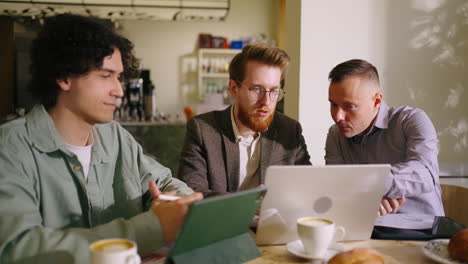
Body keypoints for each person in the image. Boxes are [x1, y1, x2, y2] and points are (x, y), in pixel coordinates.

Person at [0, 14, 202, 264]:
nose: (118, 91)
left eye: (119, 77)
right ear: (64, 77)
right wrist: (151, 228)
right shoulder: (11, 147)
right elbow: (16, 249)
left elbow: (161, 182)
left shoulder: (115, 136)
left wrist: (182, 204)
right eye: (106, 76)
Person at [178, 43, 311, 197]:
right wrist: (248, 202)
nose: (266, 102)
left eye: (274, 91)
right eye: (256, 89)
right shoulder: (203, 130)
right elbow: (191, 191)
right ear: (234, 89)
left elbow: (306, 185)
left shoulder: (289, 130)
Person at [325, 59, 444, 216]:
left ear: (377, 101)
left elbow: (425, 173)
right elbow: (336, 190)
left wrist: (373, 188)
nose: (338, 116)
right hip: (366, 232)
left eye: (349, 106)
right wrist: (371, 197)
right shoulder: (335, 135)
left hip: (424, 233)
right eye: (333, 104)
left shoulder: (412, 120)